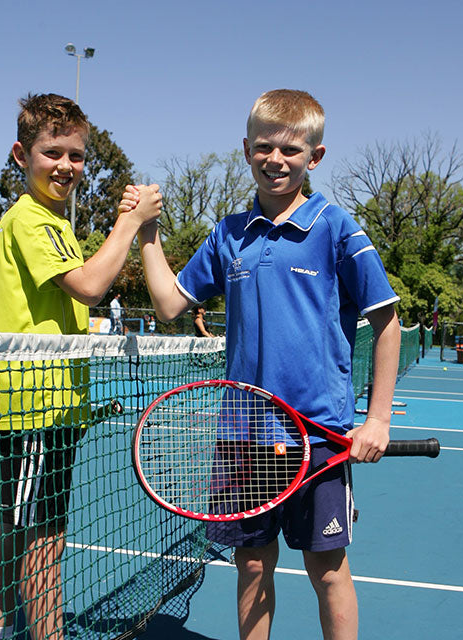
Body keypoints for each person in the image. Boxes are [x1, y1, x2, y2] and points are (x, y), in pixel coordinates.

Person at [131, 89, 401, 640]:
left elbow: (388, 321)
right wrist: (147, 232)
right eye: (263, 147)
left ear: (315, 157)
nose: (276, 159)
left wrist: (377, 419)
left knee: (326, 570)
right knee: (252, 565)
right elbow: (168, 304)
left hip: (317, 435)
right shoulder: (228, 234)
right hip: (241, 434)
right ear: (246, 149)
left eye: (291, 149)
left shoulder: (336, 227)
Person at [0, 92, 162, 640]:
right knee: (43, 540)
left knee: (16, 532)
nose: (66, 166)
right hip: (36, 410)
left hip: (56, 411)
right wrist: (130, 224)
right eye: (52, 152)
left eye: (76, 156)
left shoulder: (57, 222)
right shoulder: (31, 220)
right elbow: (88, 287)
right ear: (21, 154)